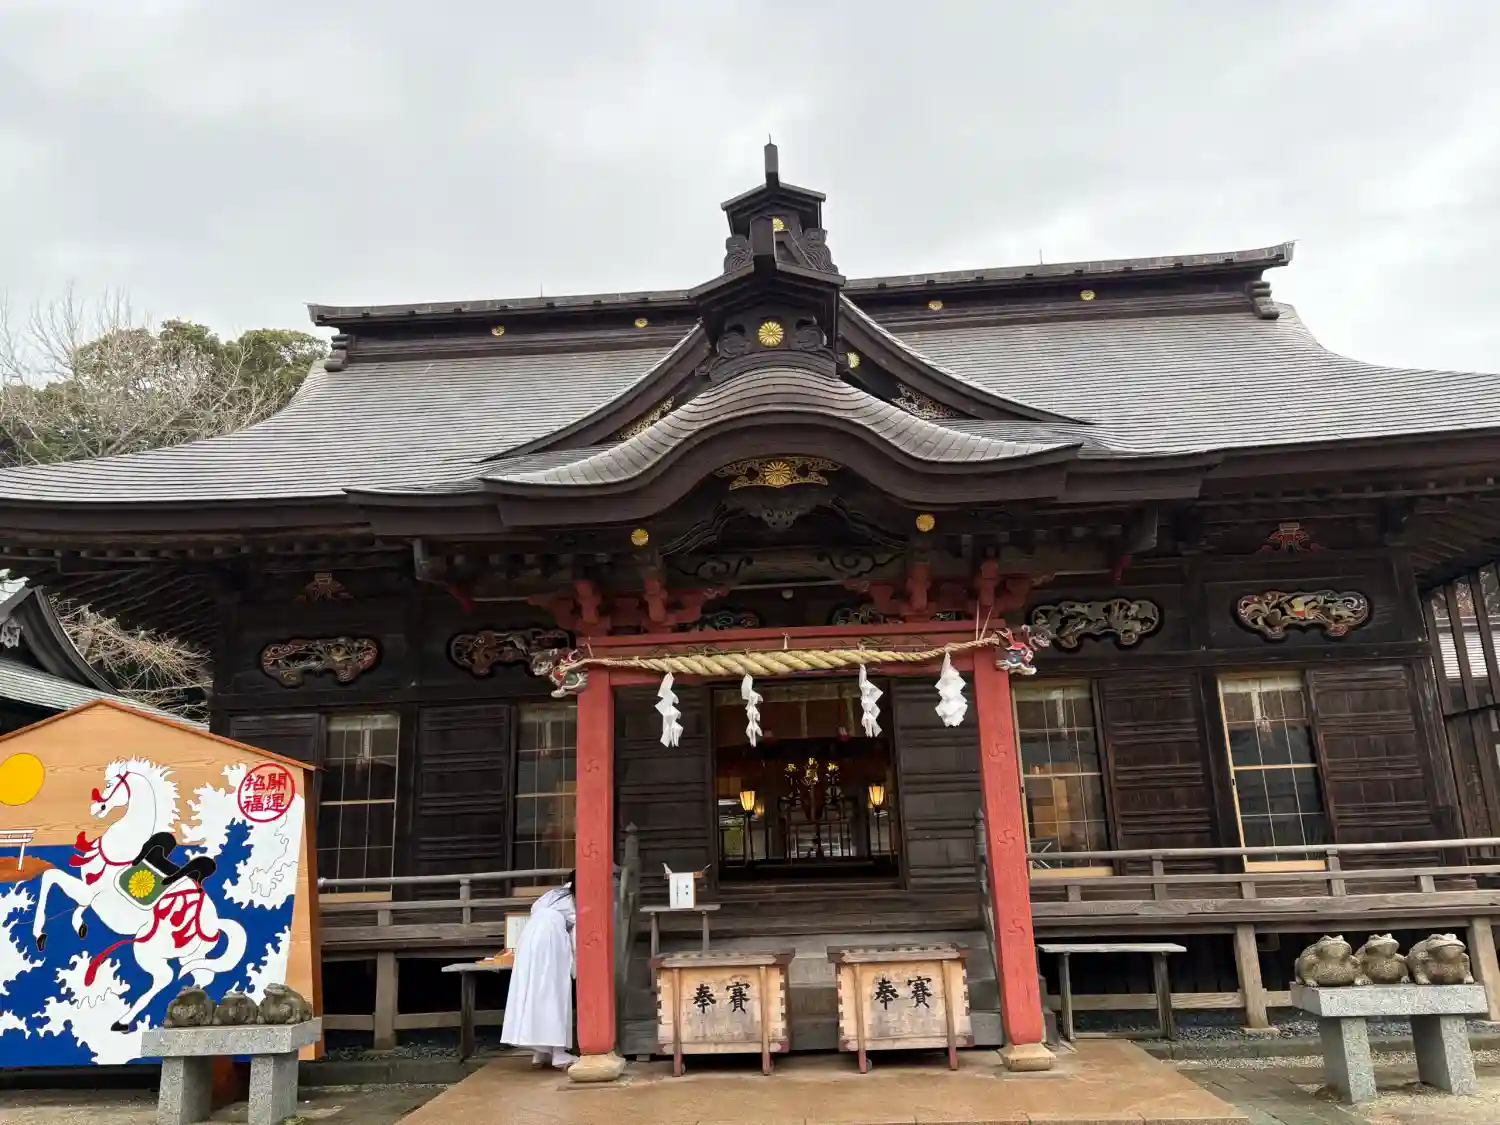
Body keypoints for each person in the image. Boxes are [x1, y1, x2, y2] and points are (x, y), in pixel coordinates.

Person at [501, 871, 577, 1068]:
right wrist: (576, 967)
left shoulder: (553, 894)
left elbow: (535, 908)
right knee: (553, 990)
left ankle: (540, 1052)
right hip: (551, 938)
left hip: (530, 935)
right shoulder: (573, 901)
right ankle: (558, 1053)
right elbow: (576, 933)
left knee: (533, 988)